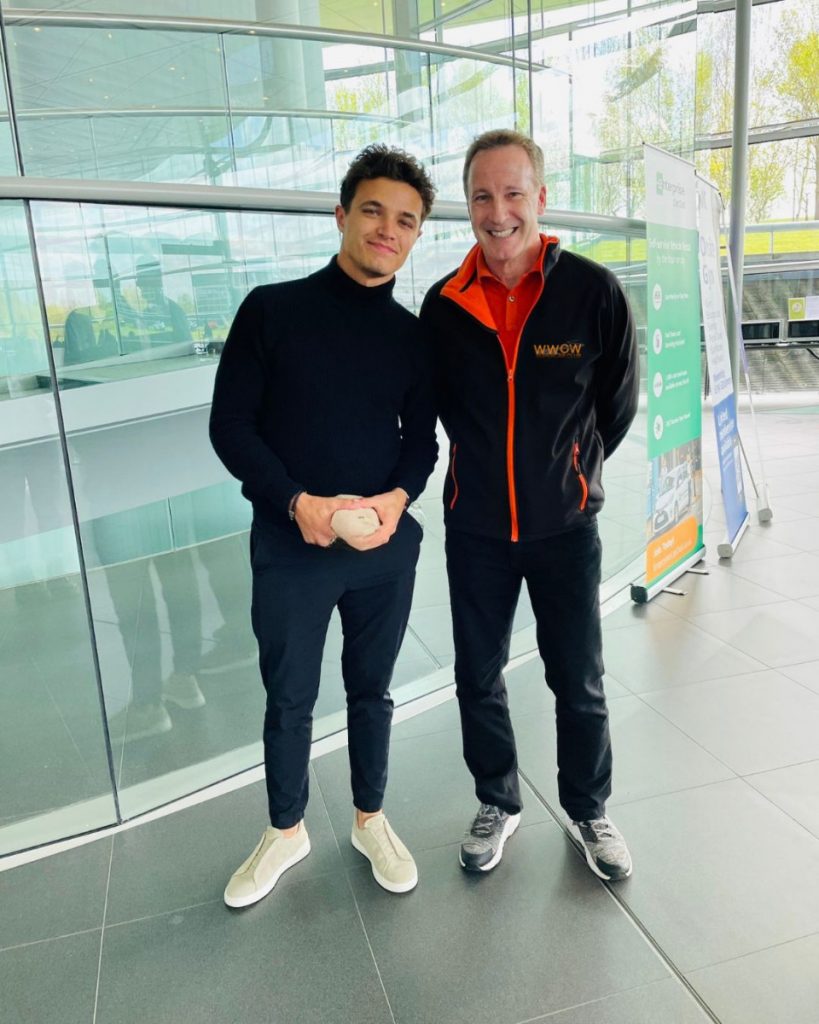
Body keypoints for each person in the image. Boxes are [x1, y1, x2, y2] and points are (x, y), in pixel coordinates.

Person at [209, 144, 438, 908]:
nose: (387, 229)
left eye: (404, 220)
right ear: (341, 215)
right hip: (291, 550)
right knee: (289, 698)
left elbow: (420, 442)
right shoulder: (271, 310)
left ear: (415, 235)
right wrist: (296, 503)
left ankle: (370, 819)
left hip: (381, 550)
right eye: (372, 210)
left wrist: (397, 500)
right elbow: (231, 427)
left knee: (372, 692)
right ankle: (285, 830)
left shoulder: (412, 336)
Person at [420, 129, 639, 882]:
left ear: (540, 198)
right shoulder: (443, 306)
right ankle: (497, 799)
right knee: (477, 675)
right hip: (476, 528)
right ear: (468, 205)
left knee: (577, 678)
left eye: (512, 193)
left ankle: (588, 808)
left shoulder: (592, 292)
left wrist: (569, 472)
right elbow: (433, 408)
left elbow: (615, 406)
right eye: (482, 196)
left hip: (564, 528)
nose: (498, 212)